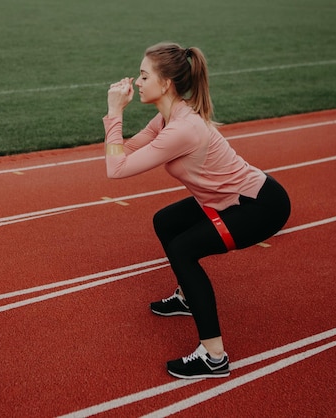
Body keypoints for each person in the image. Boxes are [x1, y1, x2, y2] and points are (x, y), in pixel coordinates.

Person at [103, 42, 291, 379]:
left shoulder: (181, 129)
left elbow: (116, 168)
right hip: (227, 199)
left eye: (145, 75)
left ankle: (214, 356)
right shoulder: (167, 118)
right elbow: (125, 151)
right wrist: (114, 125)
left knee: (183, 248)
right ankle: (188, 296)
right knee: (166, 221)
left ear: (166, 84)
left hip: (258, 205)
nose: (139, 82)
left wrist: (115, 113)